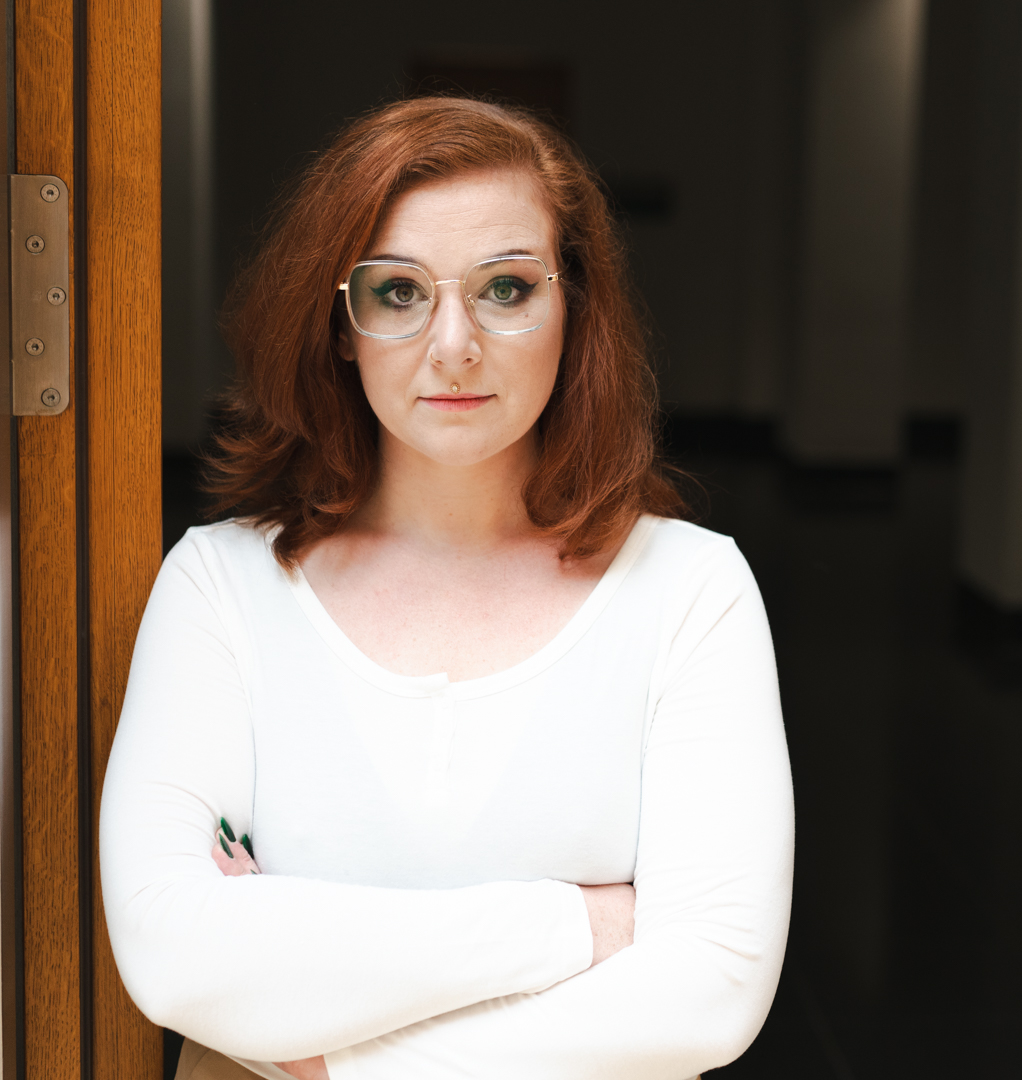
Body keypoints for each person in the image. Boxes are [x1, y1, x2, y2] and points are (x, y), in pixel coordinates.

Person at [98, 96, 793, 1080]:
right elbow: (174, 956)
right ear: (341, 326)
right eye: (398, 292)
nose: (454, 344)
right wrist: (573, 926)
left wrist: (336, 1061)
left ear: (574, 307)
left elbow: (707, 998)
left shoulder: (690, 590)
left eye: (506, 288)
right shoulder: (220, 587)